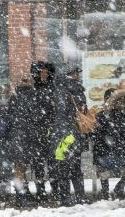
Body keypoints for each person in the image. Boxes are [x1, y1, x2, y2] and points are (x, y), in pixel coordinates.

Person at [7, 61, 55, 207]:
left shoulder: (14, 98)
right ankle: (33, 193)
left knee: (20, 167)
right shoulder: (37, 96)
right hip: (33, 135)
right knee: (35, 164)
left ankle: (22, 194)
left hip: (19, 136)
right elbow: (45, 115)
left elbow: (11, 116)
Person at [92, 89, 125, 200]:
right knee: (103, 164)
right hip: (107, 150)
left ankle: (120, 187)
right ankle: (105, 190)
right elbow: (96, 136)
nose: (121, 104)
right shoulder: (102, 116)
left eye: (124, 101)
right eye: (118, 101)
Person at [51, 65, 89, 206]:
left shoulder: (72, 90)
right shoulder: (67, 91)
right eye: (76, 73)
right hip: (69, 133)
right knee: (68, 166)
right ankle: (70, 197)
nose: (78, 75)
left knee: (71, 166)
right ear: (70, 74)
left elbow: (65, 112)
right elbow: (64, 114)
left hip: (70, 132)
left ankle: (74, 196)